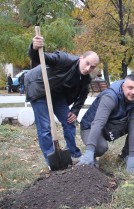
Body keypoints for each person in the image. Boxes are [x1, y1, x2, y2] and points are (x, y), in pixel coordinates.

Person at [24, 34, 100, 166]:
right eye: (87, 63)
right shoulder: (64, 59)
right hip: (39, 86)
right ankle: (51, 159)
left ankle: (73, 153)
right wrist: (34, 47)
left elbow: (83, 96)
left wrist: (75, 111)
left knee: (69, 121)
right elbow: (41, 57)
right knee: (45, 126)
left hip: (56, 92)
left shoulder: (85, 78)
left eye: (92, 67)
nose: (88, 69)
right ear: (81, 58)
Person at [77, 74, 134, 175]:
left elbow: (133, 126)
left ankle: (125, 157)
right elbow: (98, 123)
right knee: (101, 148)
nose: (133, 92)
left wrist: (132, 156)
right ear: (123, 87)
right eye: (130, 88)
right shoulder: (110, 97)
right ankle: (89, 155)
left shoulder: (133, 100)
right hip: (90, 127)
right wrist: (90, 149)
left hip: (109, 126)